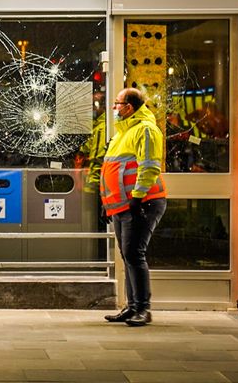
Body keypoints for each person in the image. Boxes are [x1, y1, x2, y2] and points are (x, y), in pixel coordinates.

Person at [97, 88, 167, 327]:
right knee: (128, 256)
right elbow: (112, 171)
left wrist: (137, 198)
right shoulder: (122, 133)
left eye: (117, 104)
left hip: (142, 203)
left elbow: (149, 167)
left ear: (129, 107)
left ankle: (142, 309)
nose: (114, 108)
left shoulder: (146, 130)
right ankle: (131, 307)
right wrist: (106, 204)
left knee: (135, 254)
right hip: (122, 206)